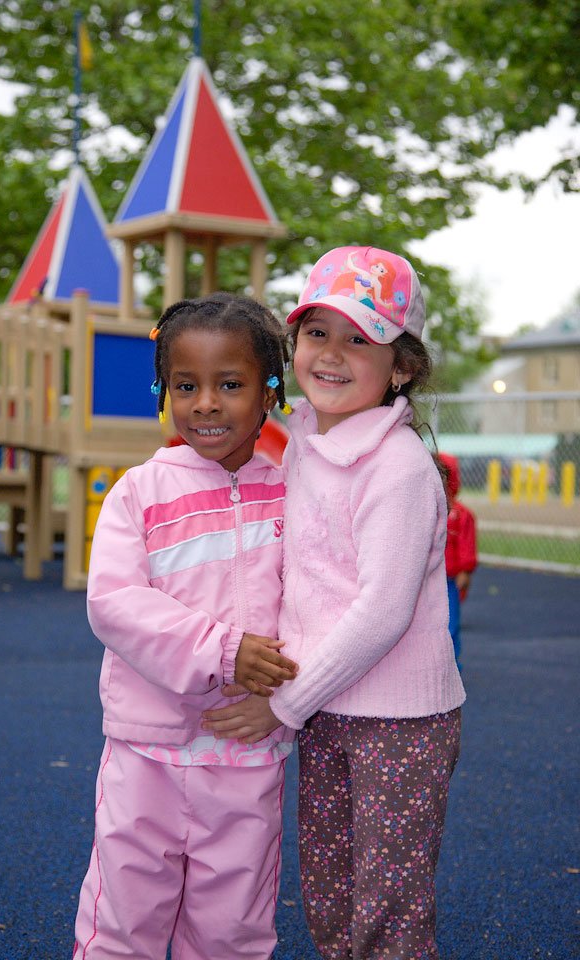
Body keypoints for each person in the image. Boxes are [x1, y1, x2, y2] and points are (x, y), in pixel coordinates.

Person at [203, 246, 466, 959]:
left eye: (360, 339)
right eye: (317, 333)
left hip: (397, 721)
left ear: (402, 365)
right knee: (327, 892)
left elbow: (381, 611)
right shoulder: (306, 448)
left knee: (386, 906)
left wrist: (282, 703)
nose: (331, 355)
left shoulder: (399, 466)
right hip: (324, 708)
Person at [73, 292, 299, 960]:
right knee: (124, 916)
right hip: (148, 752)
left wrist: (283, 698)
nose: (205, 402)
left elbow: (317, 606)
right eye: (185, 385)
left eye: (230, 384)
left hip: (249, 754)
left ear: (269, 393)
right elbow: (113, 602)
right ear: (163, 391)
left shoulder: (291, 492)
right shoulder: (139, 492)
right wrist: (225, 651)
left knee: (233, 928)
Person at [437, 451, 478, 672]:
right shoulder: (426, 509)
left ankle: (450, 666)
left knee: (450, 624)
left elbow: (466, 544)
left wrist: (466, 569)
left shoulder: (460, 515)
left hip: (449, 579)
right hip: (426, 578)